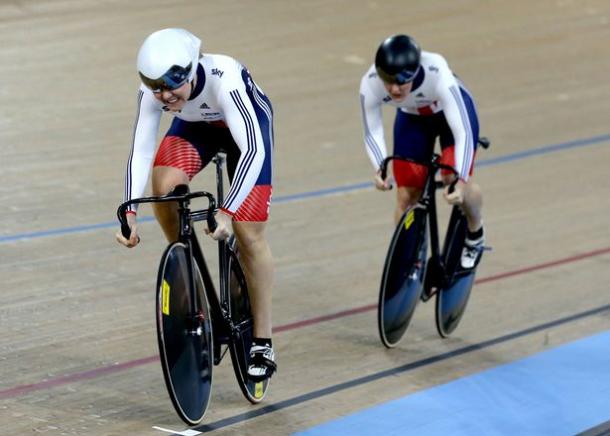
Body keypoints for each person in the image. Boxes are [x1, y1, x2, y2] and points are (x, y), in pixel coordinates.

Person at [116, 28, 276, 381]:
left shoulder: (225, 79)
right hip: (196, 130)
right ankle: (189, 274)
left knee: (248, 232)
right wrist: (128, 210)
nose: (163, 96)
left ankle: (262, 341)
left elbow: (253, 150)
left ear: (190, 72)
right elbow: (141, 149)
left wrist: (227, 210)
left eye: (170, 87)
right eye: (155, 88)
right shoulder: (155, 92)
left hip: (246, 135)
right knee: (164, 186)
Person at [359, 34, 485, 269]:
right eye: (389, 81)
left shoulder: (437, 72)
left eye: (401, 81)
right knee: (406, 195)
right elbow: (372, 129)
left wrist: (461, 178)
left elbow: (463, 133)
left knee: (451, 178)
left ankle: (475, 232)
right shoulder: (371, 81)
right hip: (412, 119)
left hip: (451, 117)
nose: (394, 89)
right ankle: (409, 257)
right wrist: (380, 166)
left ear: (415, 72)